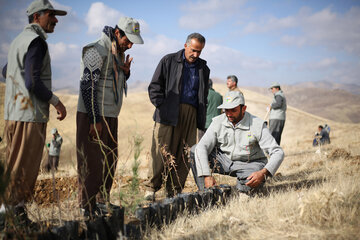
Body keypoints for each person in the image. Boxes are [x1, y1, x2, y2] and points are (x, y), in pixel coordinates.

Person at [1, 0, 67, 225]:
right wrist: (56, 102)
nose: (56, 20)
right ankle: (9, 218)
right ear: (37, 17)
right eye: (51, 15)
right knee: (23, 168)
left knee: (14, 165)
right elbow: (32, 82)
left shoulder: (18, 41)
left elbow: (5, 70)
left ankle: (15, 215)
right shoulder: (36, 42)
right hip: (28, 116)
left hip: (14, 114)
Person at [76, 17, 144, 217]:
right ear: (117, 33)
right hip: (94, 115)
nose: (130, 45)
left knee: (108, 161)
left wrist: (125, 74)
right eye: (128, 40)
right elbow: (88, 86)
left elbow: (109, 80)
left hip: (110, 114)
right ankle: (85, 208)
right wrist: (94, 119)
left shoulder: (117, 53)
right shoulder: (96, 50)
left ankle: (100, 202)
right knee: (92, 162)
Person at [145, 33, 210, 200]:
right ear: (186, 45)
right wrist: (162, 106)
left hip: (192, 114)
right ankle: (151, 188)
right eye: (194, 50)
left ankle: (174, 192)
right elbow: (154, 86)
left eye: (199, 52)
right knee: (161, 150)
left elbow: (203, 95)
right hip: (168, 113)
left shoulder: (204, 68)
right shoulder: (168, 60)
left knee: (184, 154)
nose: (196, 55)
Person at [190, 91, 284, 194]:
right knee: (195, 150)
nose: (229, 114)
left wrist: (263, 173)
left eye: (233, 110)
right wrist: (206, 175)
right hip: (224, 160)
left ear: (243, 109)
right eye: (226, 110)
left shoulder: (257, 125)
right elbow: (202, 146)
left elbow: (278, 152)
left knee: (247, 188)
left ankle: (243, 188)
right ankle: (205, 192)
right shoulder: (217, 122)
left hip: (249, 164)